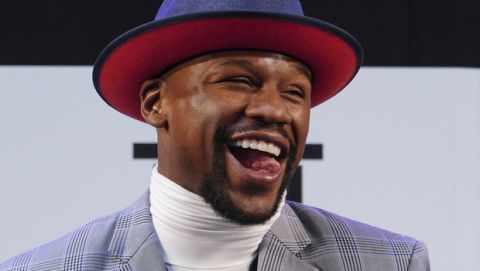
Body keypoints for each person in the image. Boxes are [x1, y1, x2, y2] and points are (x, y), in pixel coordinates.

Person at [1, 0, 430, 270]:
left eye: (295, 92)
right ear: (155, 103)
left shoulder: (391, 262)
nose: (274, 109)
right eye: (238, 81)